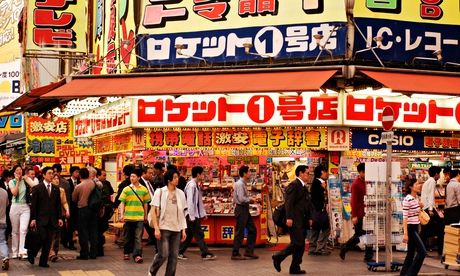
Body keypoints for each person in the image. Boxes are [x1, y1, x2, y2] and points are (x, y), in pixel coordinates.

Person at [272, 165, 312, 274]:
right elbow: (288, 203)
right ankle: (278, 256)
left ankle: (295, 267)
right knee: (297, 244)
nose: (309, 175)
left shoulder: (303, 186)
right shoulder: (294, 185)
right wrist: (289, 218)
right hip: (294, 220)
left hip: (302, 220)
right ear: (301, 173)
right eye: (307, 173)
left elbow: (305, 204)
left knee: (301, 245)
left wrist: (309, 218)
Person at [149, 169, 187, 276]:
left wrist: (183, 229)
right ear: (169, 180)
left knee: (174, 256)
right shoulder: (160, 192)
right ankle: (152, 270)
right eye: (175, 177)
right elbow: (153, 210)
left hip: (176, 229)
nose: (177, 179)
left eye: (177, 177)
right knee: (164, 254)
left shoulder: (181, 193)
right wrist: (156, 228)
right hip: (163, 227)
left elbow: (182, 213)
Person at [28, 167, 63, 268]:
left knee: (48, 241)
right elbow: (34, 205)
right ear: (43, 175)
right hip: (40, 219)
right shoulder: (37, 188)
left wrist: (60, 218)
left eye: (52, 173)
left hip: (52, 219)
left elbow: (58, 205)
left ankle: (43, 262)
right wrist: (33, 219)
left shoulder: (56, 189)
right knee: (41, 238)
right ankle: (32, 253)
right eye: (49, 173)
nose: (51, 175)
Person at [179, 166, 216, 261]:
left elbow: (197, 201)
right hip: (192, 215)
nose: (204, 175)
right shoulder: (191, 186)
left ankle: (179, 252)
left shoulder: (195, 185)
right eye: (203, 173)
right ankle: (205, 253)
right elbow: (190, 202)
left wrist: (202, 213)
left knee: (189, 235)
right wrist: (192, 216)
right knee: (199, 234)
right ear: (198, 174)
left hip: (193, 214)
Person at [340, 163, 374, 262]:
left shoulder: (368, 182)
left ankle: (368, 256)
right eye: (365, 172)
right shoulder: (356, 184)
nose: (367, 174)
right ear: (360, 172)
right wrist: (354, 215)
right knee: (360, 234)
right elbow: (353, 201)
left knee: (369, 234)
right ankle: (345, 247)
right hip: (359, 214)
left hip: (368, 213)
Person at [119, 168, 150, 263]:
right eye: (131, 176)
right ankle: (126, 252)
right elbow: (122, 202)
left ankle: (137, 255)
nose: (131, 178)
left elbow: (146, 203)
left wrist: (145, 215)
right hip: (128, 217)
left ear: (139, 178)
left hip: (139, 217)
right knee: (128, 236)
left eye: (134, 176)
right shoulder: (126, 189)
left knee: (138, 237)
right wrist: (121, 214)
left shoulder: (144, 189)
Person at [400, 178, 426, 276]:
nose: (419, 185)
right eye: (416, 184)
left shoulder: (415, 198)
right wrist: (405, 234)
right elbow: (405, 218)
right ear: (411, 186)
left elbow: (415, 213)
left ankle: (403, 274)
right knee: (422, 252)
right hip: (410, 228)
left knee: (410, 254)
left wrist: (420, 206)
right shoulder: (407, 199)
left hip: (415, 227)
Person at [231, 165, 258, 260]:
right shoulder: (239, 184)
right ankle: (235, 253)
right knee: (240, 232)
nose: (250, 174)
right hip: (241, 209)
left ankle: (249, 251)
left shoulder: (242, 183)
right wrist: (251, 199)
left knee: (252, 230)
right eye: (249, 172)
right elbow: (242, 199)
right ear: (245, 173)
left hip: (245, 210)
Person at [72, 168, 98, 260]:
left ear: (80, 175)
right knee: (93, 231)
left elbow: (74, 199)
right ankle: (93, 253)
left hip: (83, 210)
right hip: (94, 210)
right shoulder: (93, 183)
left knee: (83, 232)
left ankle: (84, 253)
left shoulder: (79, 186)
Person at [8, 165, 31, 260]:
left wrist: (28, 179)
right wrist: (17, 181)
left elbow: (34, 185)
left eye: (20, 170)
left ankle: (23, 251)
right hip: (15, 206)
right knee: (15, 231)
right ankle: (15, 251)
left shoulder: (25, 180)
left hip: (25, 207)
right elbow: (14, 193)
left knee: (23, 229)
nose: (19, 171)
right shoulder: (11, 182)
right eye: (17, 170)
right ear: (14, 172)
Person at [420, 166, 443, 255]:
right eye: (439, 173)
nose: (440, 176)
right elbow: (430, 196)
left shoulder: (427, 182)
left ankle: (421, 249)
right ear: (436, 174)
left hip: (425, 207)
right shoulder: (432, 181)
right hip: (429, 208)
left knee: (425, 230)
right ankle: (440, 250)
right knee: (440, 228)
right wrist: (430, 209)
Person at [309, 164, 331, 256]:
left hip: (317, 210)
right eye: (326, 172)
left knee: (316, 228)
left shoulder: (317, 183)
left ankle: (313, 248)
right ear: (322, 172)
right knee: (326, 228)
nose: (327, 174)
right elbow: (318, 197)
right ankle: (320, 247)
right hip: (319, 210)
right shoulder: (318, 184)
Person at [49, 174, 70, 262]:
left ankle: (54, 252)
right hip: (49, 215)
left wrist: (67, 210)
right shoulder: (48, 189)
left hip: (58, 215)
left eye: (58, 178)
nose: (57, 180)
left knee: (57, 234)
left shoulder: (61, 190)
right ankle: (50, 252)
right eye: (54, 178)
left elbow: (64, 202)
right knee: (50, 234)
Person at [114, 164, 135, 246]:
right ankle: (128, 240)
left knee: (127, 224)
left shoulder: (124, 184)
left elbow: (119, 197)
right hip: (136, 208)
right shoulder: (137, 183)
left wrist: (115, 205)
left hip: (126, 207)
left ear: (125, 173)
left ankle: (124, 239)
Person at [96, 168, 115, 256]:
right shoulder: (96, 185)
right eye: (103, 175)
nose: (105, 177)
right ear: (98, 176)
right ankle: (99, 247)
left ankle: (100, 245)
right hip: (99, 210)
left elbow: (111, 192)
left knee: (103, 227)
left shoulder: (107, 183)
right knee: (99, 228)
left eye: (105, 175)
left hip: (107, 209)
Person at [62, 166, 80, 250]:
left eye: (78, 172)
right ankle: (69, 242)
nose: (78, 174)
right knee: (70, 226)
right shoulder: (67, 182)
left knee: (75, 226)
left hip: (78, 208)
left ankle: (70, 241)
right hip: (70, 207)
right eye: (76, 172)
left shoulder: (80, 182)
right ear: (72, 173)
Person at [139, 166, 156, 247]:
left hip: (152, 205)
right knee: (147, 224)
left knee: (150, 224)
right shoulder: (140, 182)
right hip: (144, 206)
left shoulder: (150, 182)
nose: (151, 175)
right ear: (144, 173)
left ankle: (154, 239)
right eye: (149, 173)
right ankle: (155, 240)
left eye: (152, 173)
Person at [0, 170, 12, 242]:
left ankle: (5, 238)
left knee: (8, 223)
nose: (10, 178)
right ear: (6, 177)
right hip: (4, 207)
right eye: (9, 177)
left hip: (9, 206)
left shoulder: (11, 184)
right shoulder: (1, 184)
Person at [0, 185, 9, 270]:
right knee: (2, 241)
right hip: (2, 221)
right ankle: (5, 257)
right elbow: (7, 204)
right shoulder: (4, 192)